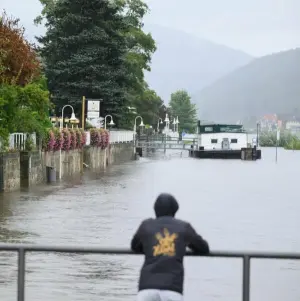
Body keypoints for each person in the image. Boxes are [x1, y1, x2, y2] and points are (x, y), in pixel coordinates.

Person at [131, 193, 210, 301]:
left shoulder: (146, 225)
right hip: (172, 289)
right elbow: (203, 248)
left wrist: (150, 247)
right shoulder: (184, 227)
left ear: (155, 209)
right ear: (175, 210)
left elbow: (134, 246)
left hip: (147, 288)